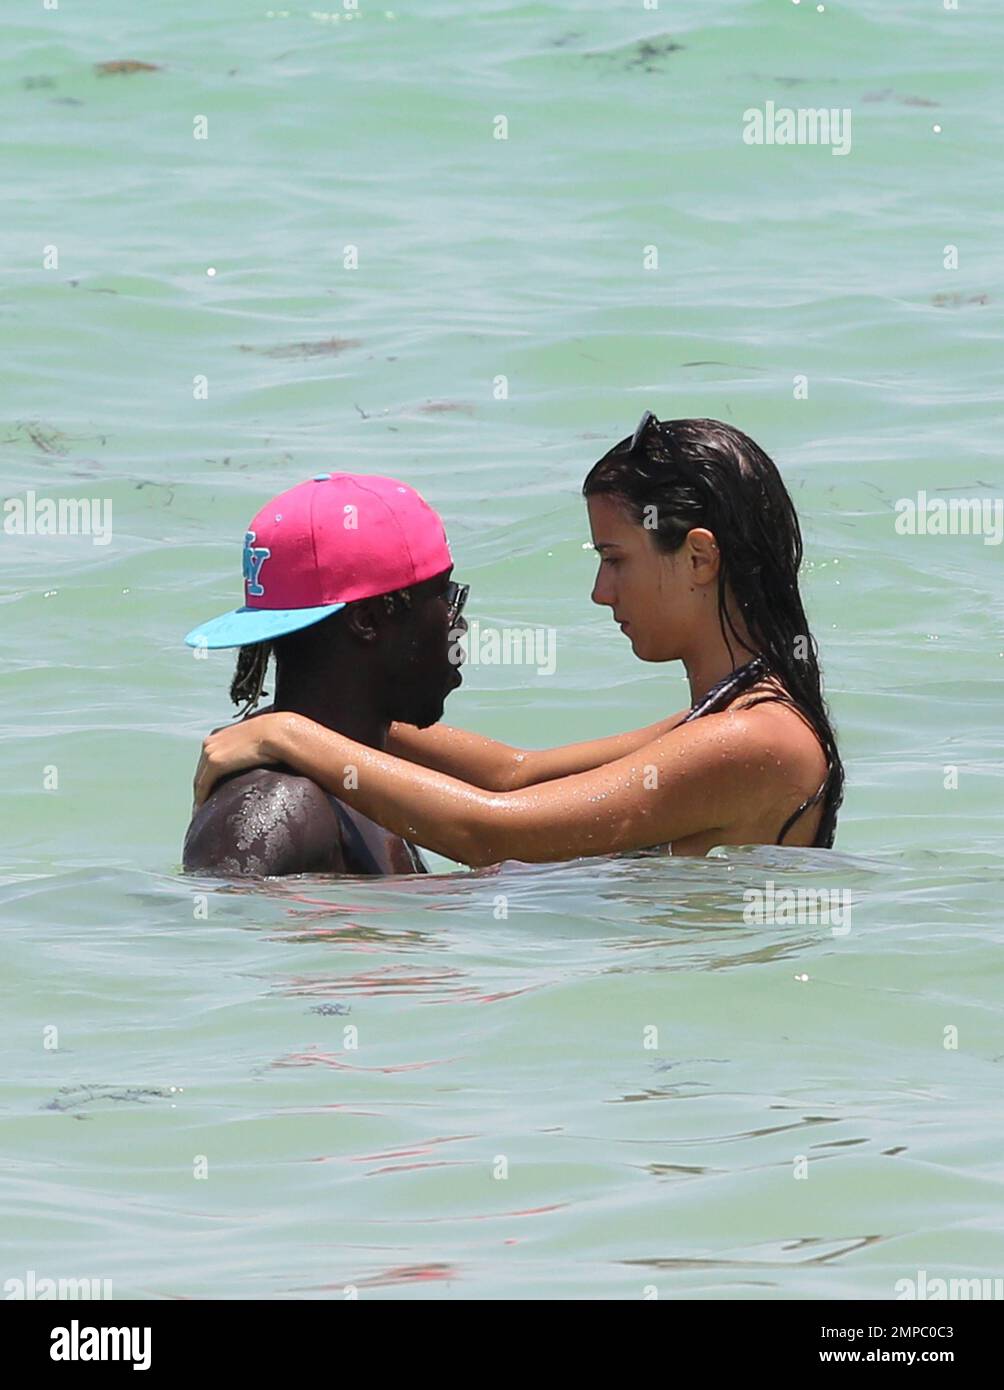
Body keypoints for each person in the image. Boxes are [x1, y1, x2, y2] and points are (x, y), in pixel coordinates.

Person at [192, 414, 845, 866]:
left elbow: (491, 832)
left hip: (711, 1044)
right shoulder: (727, 717)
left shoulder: (753, 740)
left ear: (699, 558)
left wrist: (286, 736)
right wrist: (325, 718)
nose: (601, 590)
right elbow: (515, 775)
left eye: (615, 558)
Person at [182, 472, 468, 876]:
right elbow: (213, 932)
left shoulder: (357, 782)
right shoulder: (279, 806)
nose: (459, 622)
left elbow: (514, 778)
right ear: (367, 621)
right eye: (445, 594)